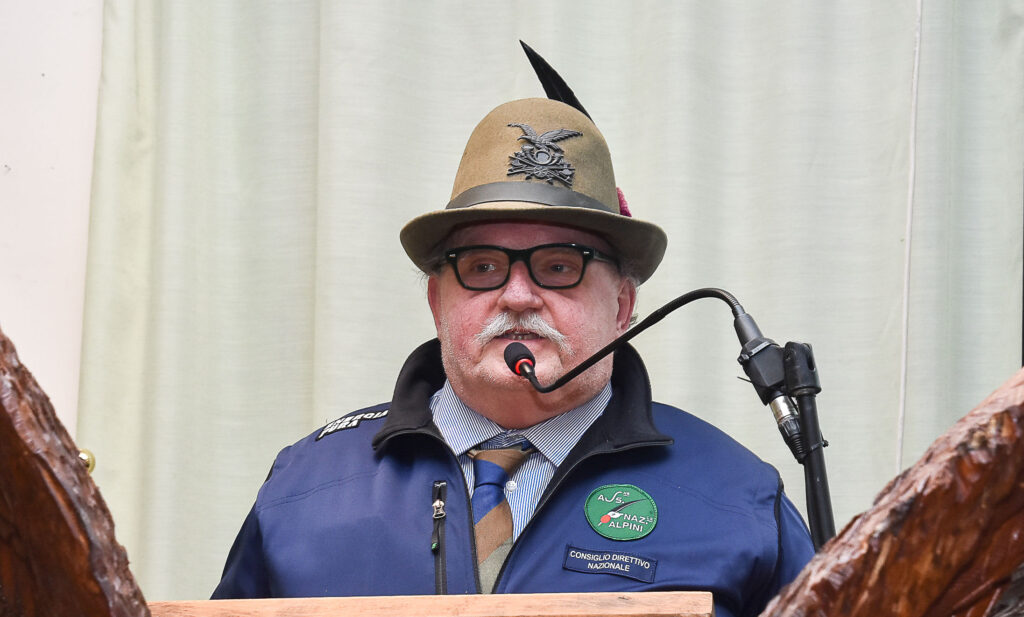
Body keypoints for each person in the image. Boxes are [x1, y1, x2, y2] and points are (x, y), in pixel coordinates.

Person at [212, 49, 814, 617]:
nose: (518, 296)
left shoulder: (736, 498)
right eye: (481, 267)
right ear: (437, 302)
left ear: (623, 306)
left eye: (560, 265)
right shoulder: (307, 486)